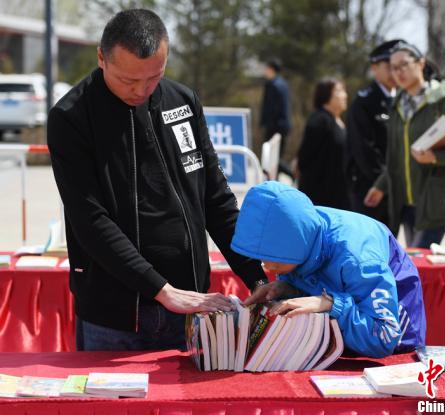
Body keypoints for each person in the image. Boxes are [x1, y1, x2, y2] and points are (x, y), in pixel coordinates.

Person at [47, 9, 268, 351]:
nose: (141, 90)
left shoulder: (182, 101)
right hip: (115, 318)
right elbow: (90, 221)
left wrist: (255, 277)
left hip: (191, 309)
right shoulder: (72, 117)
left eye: (154, 77)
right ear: (101, 58)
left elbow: (216, 200)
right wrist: (162, 291)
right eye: (128, 80)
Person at [231, 181, 426, 358]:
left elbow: (384, 337)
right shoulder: (295, 229)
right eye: (262, 256)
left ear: (296, 243)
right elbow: (318, 281)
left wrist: (331, 305)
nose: (266, 265)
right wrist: (289, 288)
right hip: (338, 342)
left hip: (395, 346)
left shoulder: (358, 258)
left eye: (274, 257)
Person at [364, 41, 445, 248]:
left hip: (434, 200)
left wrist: (435, 157)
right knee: (415, 262)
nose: (398, 72)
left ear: (421, 63)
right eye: (393, 67)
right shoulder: (398, 103)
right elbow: (396, 153)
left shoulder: (440, 99)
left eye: (403, 65)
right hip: (406, 203)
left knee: (420, 263)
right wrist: (381, 186)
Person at [346, 39, 403, 225]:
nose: (394, 71)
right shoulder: (365, 102)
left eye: (397, 66)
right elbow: (364, 149)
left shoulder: (402, 99)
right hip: (370, 187)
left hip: (394, 186)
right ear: (374, 68)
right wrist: (383, 182)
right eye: (388, 65)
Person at [297, 78, 349, 209]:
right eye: (339, 91)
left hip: (338, 195)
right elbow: (304, 158)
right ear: (326, 95)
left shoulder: (337, 120)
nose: (345, 95)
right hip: (321, 199)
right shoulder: (320, 120)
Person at [260, 59, 293, 178]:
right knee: (274, 159)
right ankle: (276, 181)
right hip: (280, 126)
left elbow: (273, 109)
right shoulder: (281, 83)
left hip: (276, 127)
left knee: (272, 159)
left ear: (271, 69)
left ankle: (293, 174)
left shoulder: (275, 85)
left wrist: (268, 124)